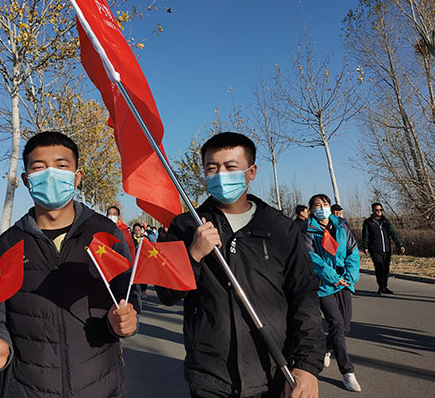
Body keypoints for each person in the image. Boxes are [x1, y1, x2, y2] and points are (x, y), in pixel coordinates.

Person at [156, 132, 324, 398]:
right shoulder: (186, 226)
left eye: (231, 167)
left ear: (251, 171)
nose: (220, 175)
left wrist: (307, 365)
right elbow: (167, 294)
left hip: (273, 371)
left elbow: (303, 296)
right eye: (212, 168)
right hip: (210, 376)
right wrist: (194, 255)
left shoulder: (281, 228)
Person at [0, 131, 140, 397]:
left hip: (100, 386)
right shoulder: (6, 246)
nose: (51, 175)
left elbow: (128, 293)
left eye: (62, 166)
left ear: (77, 176)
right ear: (26, 180)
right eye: (39, 167)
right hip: (27, 388)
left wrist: (126, 320)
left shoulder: (105, 234)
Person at [303, 194, 361, 392]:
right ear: (311, 209)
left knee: (344, 328)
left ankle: (327, 348)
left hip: (344, 282)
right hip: (324, 285)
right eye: (317, 205)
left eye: (325, 204)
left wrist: (350, 276)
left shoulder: (341, 226)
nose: (322, 208)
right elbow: (311, 257)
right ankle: (347, 372)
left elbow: (353, 251)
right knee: (336, 324)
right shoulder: (307, 230)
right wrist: (332, 276)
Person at [361, 202, 405, 295]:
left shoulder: (386, 222)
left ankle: (385, 286)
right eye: (377, 210)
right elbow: (365, 235)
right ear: (373, 211)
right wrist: (365, 247)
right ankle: (381, 287)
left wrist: (400, 244)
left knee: (386, 269)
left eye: (381, 210)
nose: (379, 212)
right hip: (375, 249)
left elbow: (393, 233)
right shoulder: (368, 222)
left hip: (387, 249)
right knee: (379, 267)